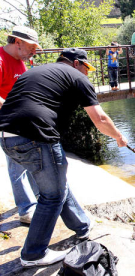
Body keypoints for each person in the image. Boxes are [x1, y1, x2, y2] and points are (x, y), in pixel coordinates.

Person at [0, 48, 128, 267]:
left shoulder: (37, 71)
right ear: (76, 63)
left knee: (57, 186)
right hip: (35, 136)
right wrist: (118, 136)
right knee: (52, 196)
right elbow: (100, 119)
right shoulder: (77, 77)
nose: (86, 73)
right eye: (86, 68)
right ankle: (33, 253)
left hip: (6, 136)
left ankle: (82, 226)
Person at [0, 26, 42, 224]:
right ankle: (26, 209)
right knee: (17, 165)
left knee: (31, 160)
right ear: (18, 43)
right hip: (8, 120)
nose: (33, 53)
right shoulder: (1, 60)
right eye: (31, 48)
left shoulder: (20, 62)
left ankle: (38, 200)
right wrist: (13, 110)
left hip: (22, 119)